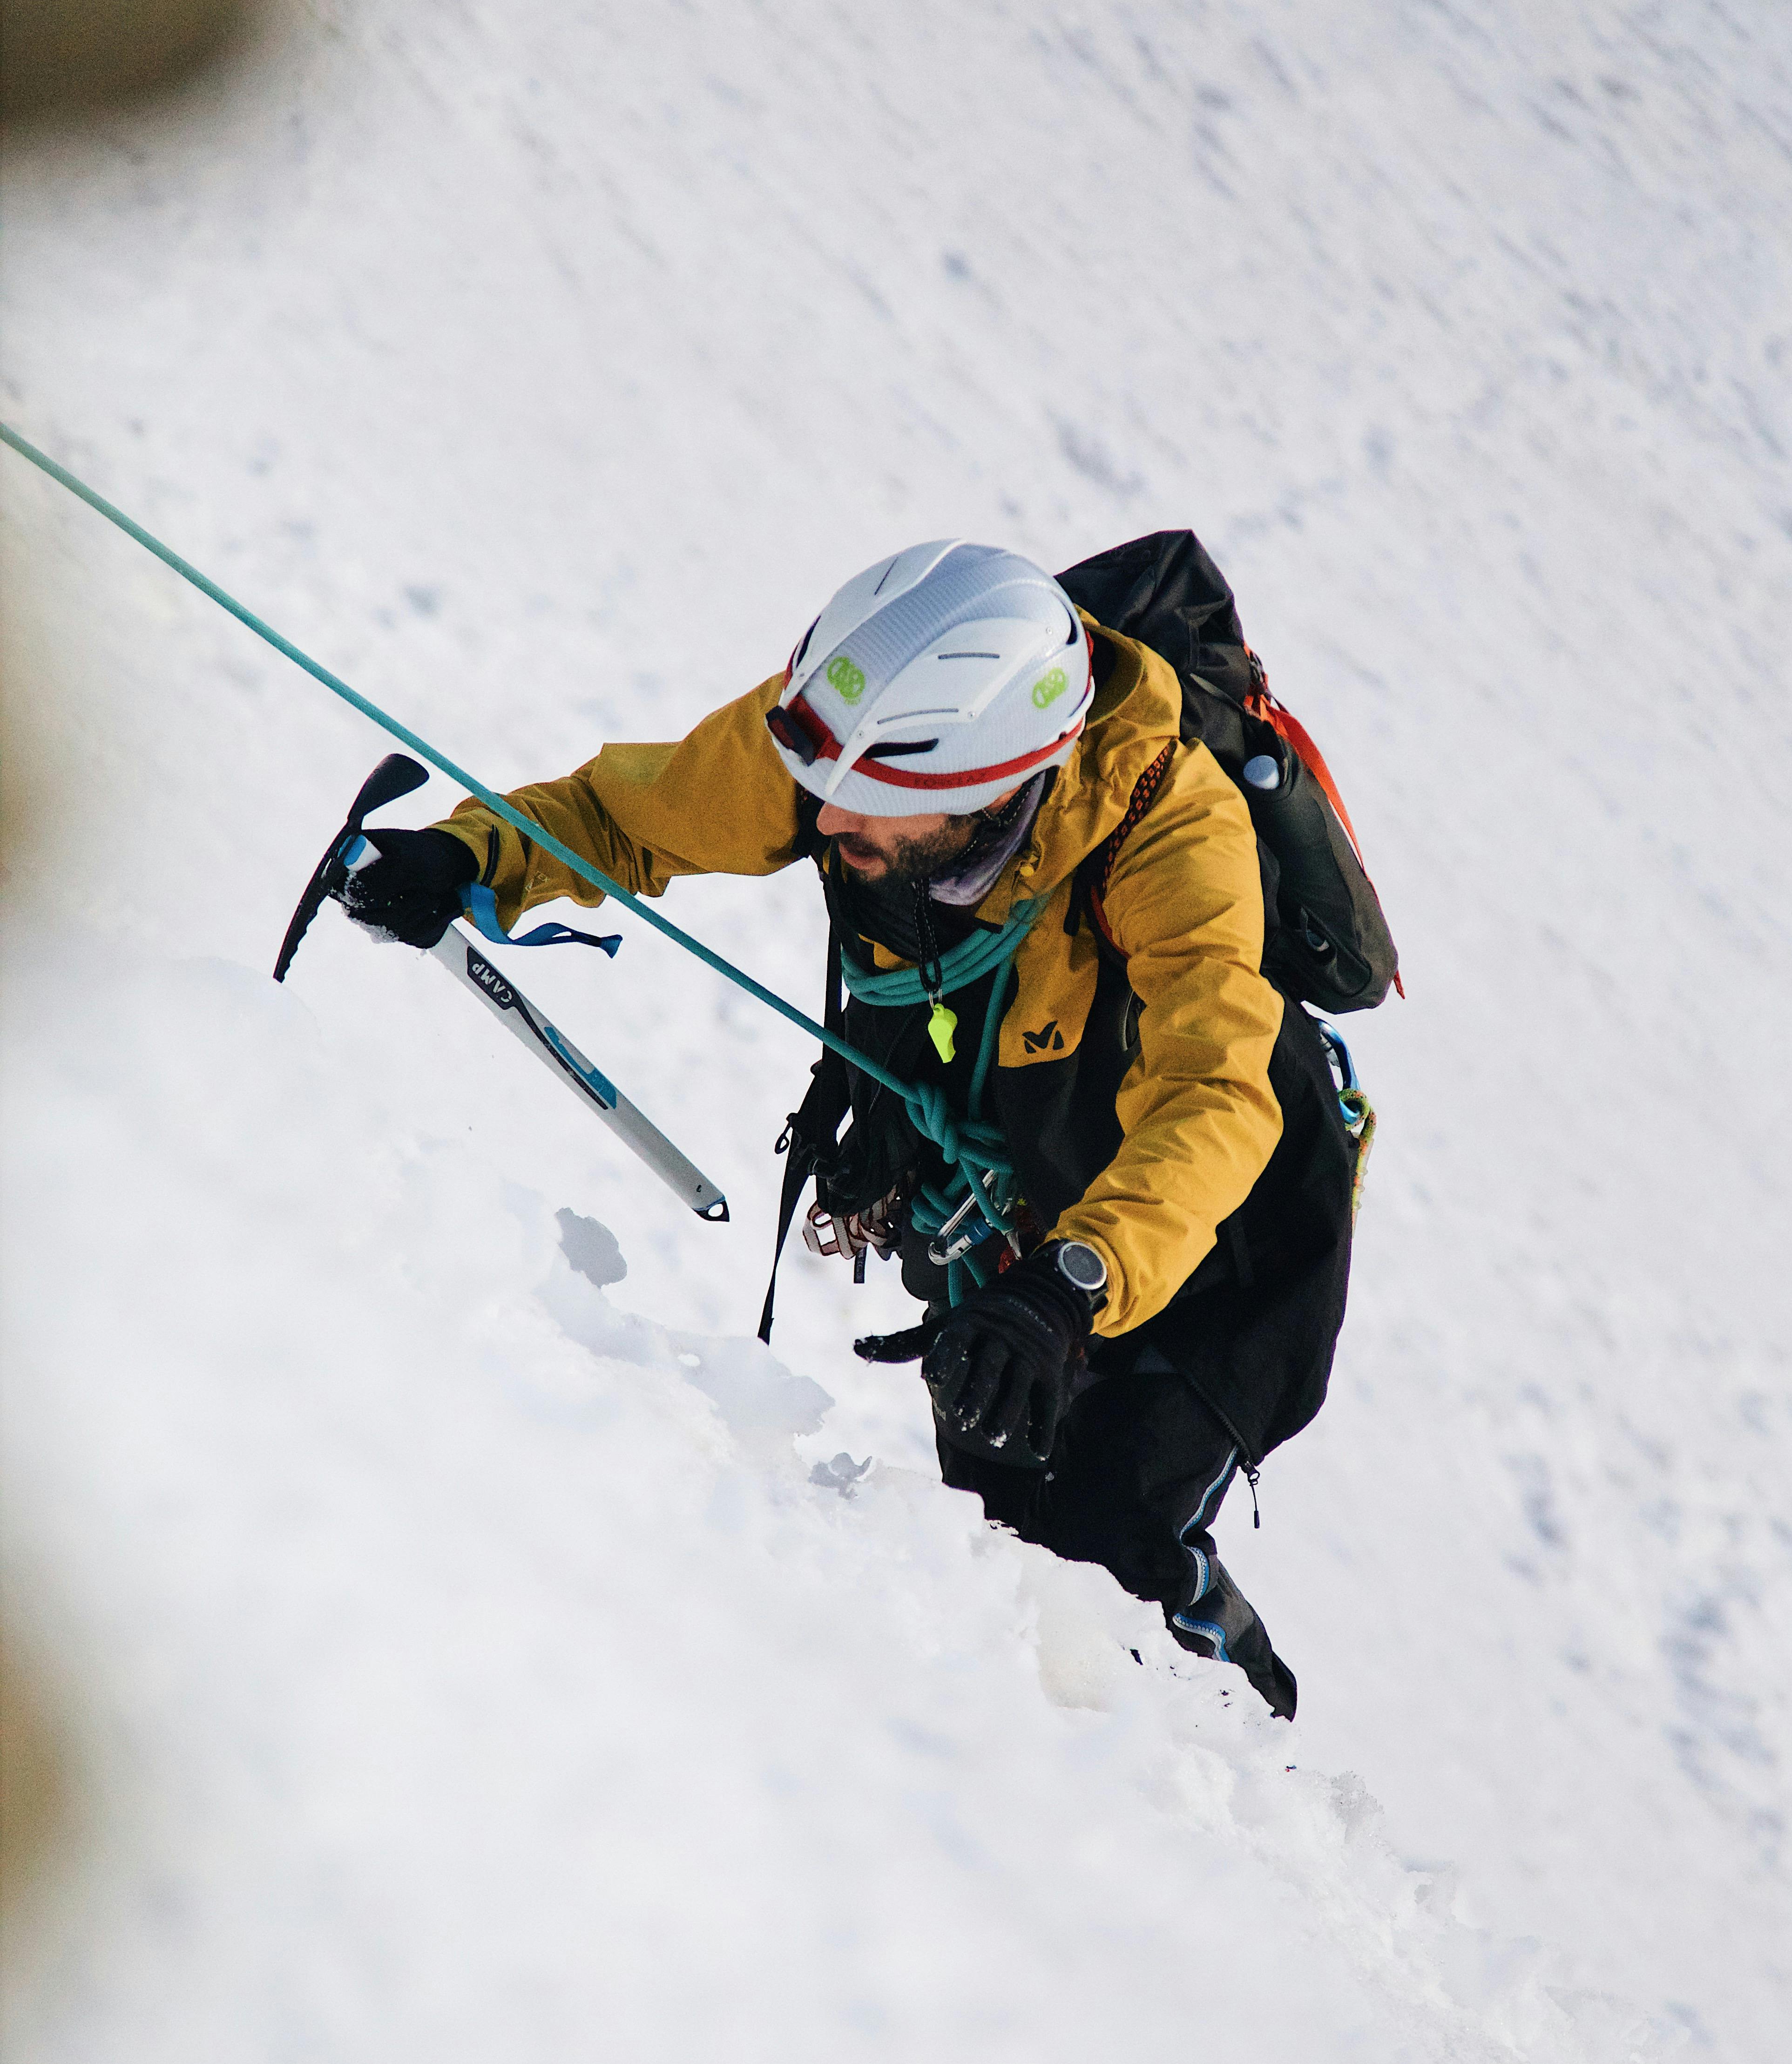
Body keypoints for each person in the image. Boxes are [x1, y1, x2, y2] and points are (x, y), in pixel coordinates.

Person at [342, 541, 1360, 1718]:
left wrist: (1070, 1285)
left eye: (876, 811)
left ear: (996, 787)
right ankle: (1048, 1774)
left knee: (1105, 1543)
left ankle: (1247, 1786)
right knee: (996, 1542)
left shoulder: (1174, 844)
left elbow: (1210, 1100)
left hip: (1223, 1234)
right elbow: (623, 818)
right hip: (1008, 1202)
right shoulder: (847, 736)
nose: (825, 823)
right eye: (824, 792)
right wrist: (467, 857)